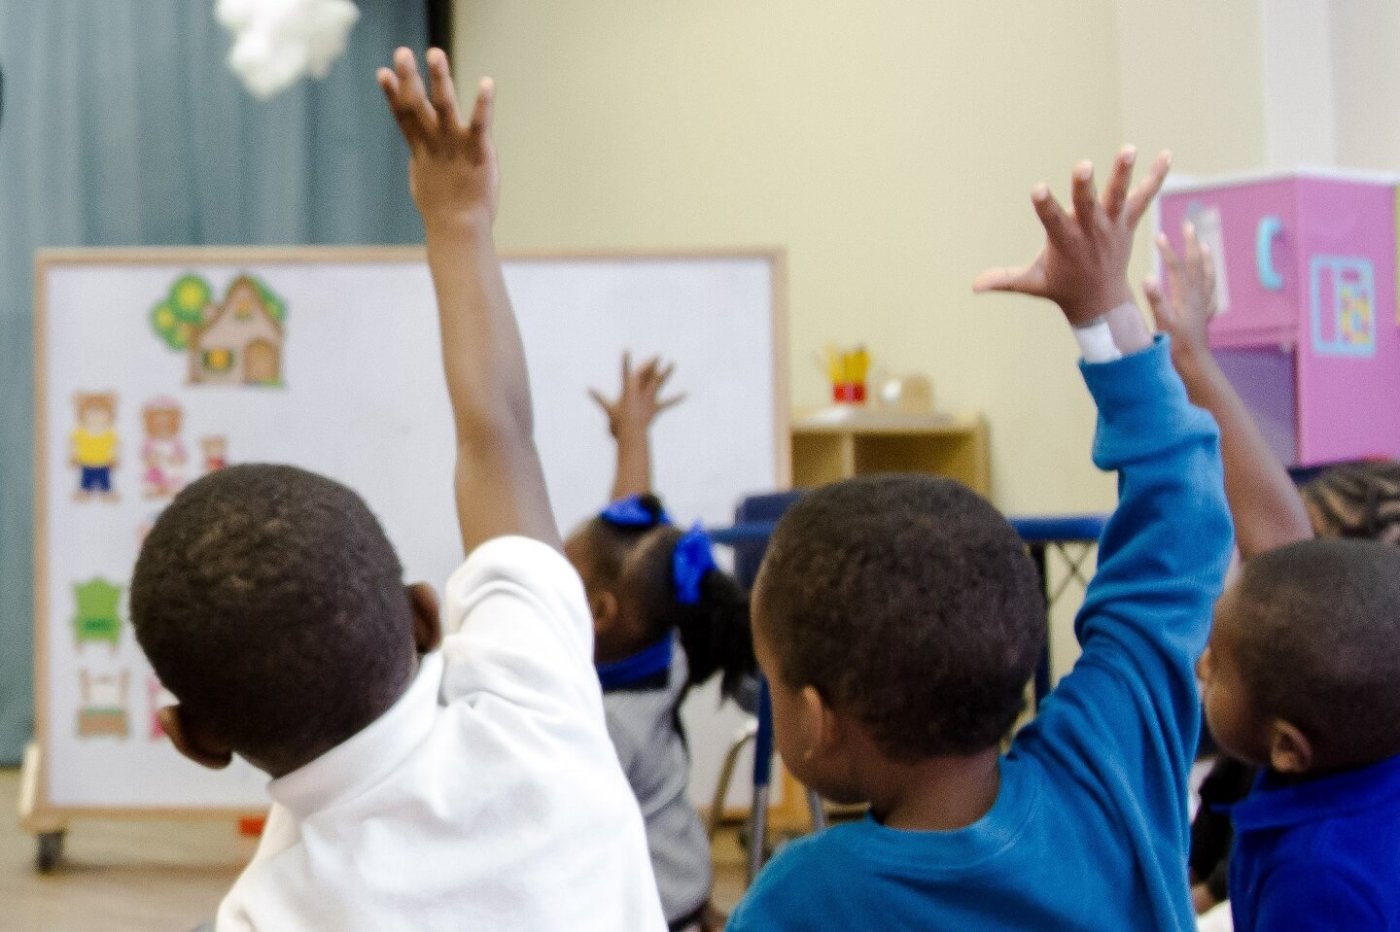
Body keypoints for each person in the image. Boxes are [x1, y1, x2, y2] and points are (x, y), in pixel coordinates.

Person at [130, 47, 666, 931]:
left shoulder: (265, 915)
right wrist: (460, 222)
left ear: (193, 739)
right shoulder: (533, 700)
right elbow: (498, 434)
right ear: (427, 616)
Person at [727, 146, 1235, 930]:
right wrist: (1105, 313)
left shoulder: (804, 900)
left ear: (822, 722)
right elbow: (1184, 516)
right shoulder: (1111, 765)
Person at [1143, 223, 1315, 920]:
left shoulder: (1319, 874)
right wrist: (1192, 361)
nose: (1204, 664)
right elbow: (1285, 555)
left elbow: (1285, 556)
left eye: (1221, 666)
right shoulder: (1338, 753)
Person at [566, 354, 753, 931]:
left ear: (598, 613)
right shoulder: (662, 653)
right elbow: (634, 550)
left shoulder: (603, 723)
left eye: (559, 571)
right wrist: (633, 437)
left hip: (653, 908)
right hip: (683, 879)